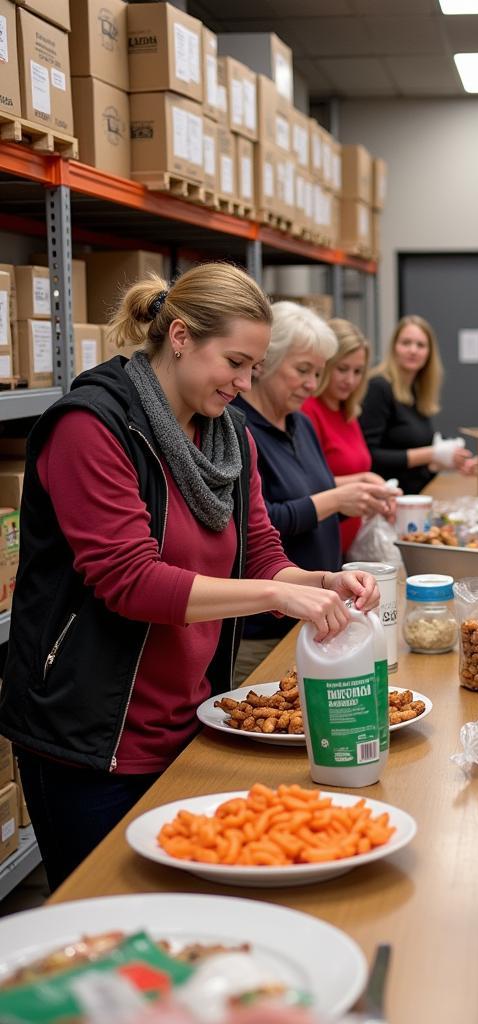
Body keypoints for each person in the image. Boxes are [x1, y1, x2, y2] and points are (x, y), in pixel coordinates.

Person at [0, 266, 379, 890]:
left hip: (188, 723)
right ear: (179, 336)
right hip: (91, 742)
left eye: (254, 368)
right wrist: (275, 594)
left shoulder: (228, 437)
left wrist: (315, 582)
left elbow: (259, 551)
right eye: (234, 361)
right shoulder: (91, 427)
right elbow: (132, 582)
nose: (244, 382)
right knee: (110, 921)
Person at [233, 301, 395, 680]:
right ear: (264, 362)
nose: (311, 385)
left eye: (317, 373)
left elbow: (309, 494)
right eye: (302, 370)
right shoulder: (239, 430)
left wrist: (355, 492)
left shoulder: (300, 425)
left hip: (317, 616)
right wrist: (336, 500)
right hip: (265, 632)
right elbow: (259, 524)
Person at [359, 315, 477, 495]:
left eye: (420, 345)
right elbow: (370, 457)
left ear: (429, 353)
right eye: (406, 343)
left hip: (415, 496)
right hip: (387, 499)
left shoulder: (416, 391)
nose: (413, 350)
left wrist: (453, 461)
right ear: (394, 348)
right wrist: (433, 454)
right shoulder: (379, 388)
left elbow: (416, 457)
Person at [302, 318, 385, 553]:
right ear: (325, 365)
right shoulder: (308, 410)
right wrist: (363, 483)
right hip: (318, 542)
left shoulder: (347, 411)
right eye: (342, 369)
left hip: (348, 543)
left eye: (358, 371)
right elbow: (302, 486)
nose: (350, 380)